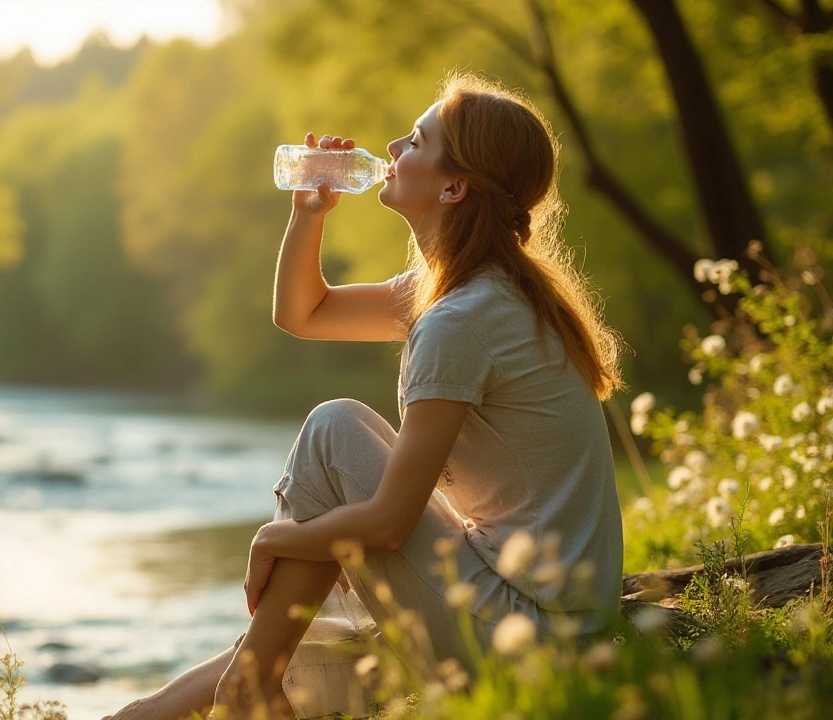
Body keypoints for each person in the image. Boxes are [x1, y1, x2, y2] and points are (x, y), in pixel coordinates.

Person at [103, 72, 625, 720]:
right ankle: (178, 704)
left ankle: (249, 688)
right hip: (528, 615)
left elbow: (388, 523)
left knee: (334, 431)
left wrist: (275, 539)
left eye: (416, 140)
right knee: (295, 653)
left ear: (453, 186)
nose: (392, 146)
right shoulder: (466, 293)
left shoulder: (462, 318)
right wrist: (308, 216)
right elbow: (305, 312)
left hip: (531, 638)